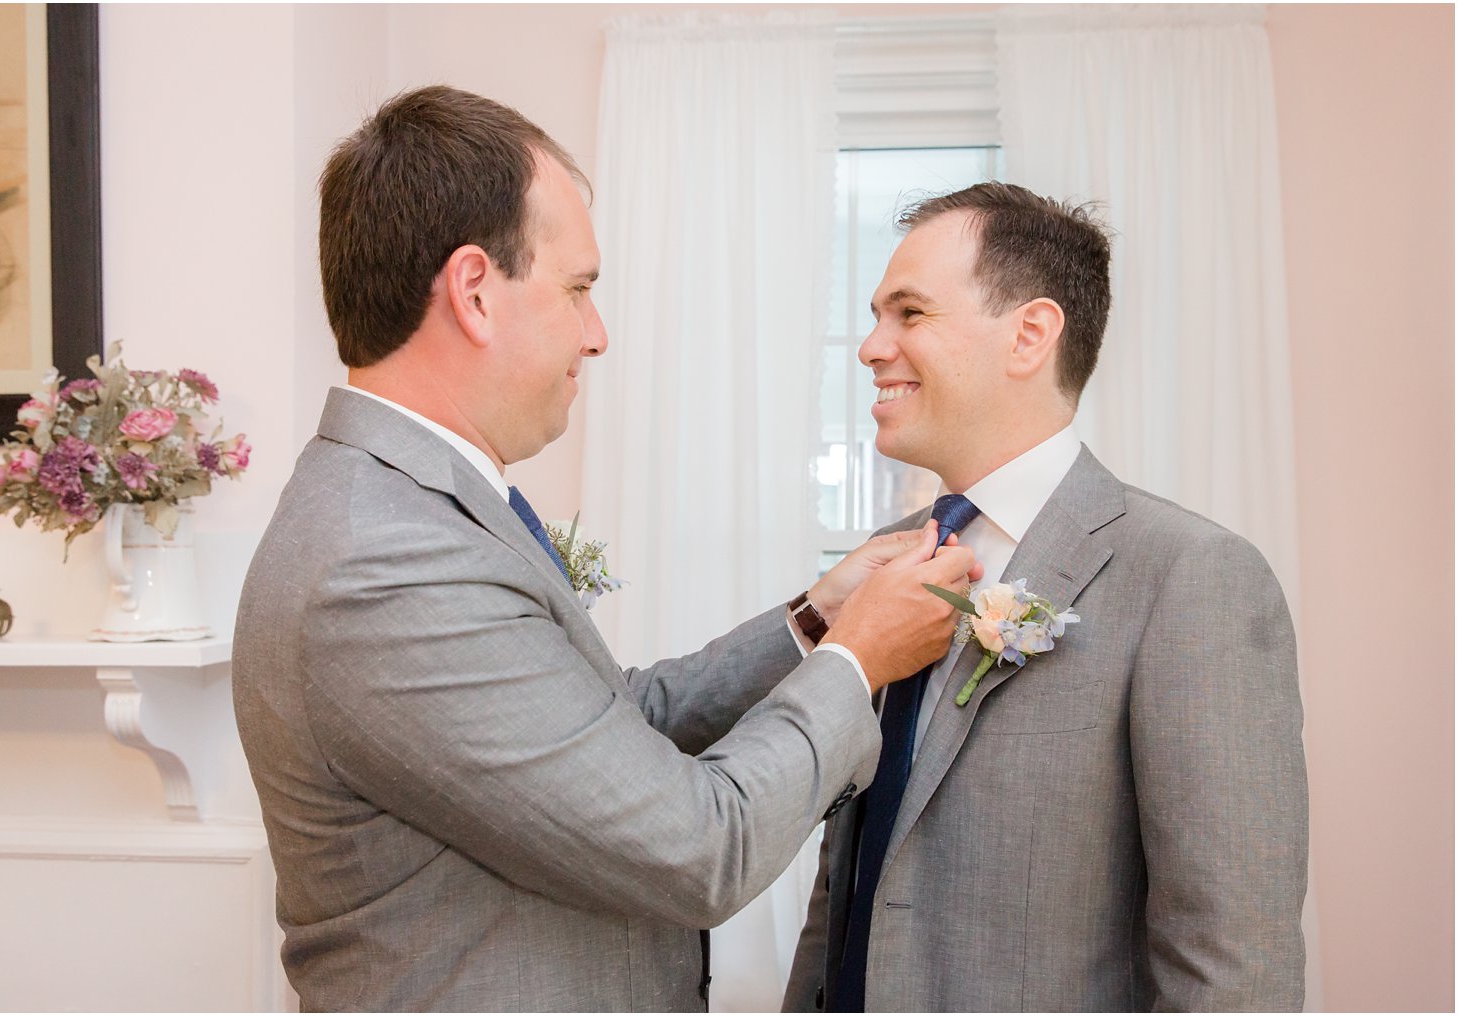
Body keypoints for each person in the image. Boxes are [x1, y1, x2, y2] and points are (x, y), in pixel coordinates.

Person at [231, 85, 982, 1012]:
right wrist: (856, 657)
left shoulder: (414, 504)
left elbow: (602, 726)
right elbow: (700, 848)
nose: (597, 334)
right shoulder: (382, 564)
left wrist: (813, 618)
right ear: (474, 292)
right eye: (579, 290)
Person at [783, 183, 1309, 1012]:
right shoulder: (893, 564)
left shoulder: (1190, 577)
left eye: (909, 313)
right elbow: (850, 879)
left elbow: (1233, 961)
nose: (870, 346)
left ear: (1029, 334)